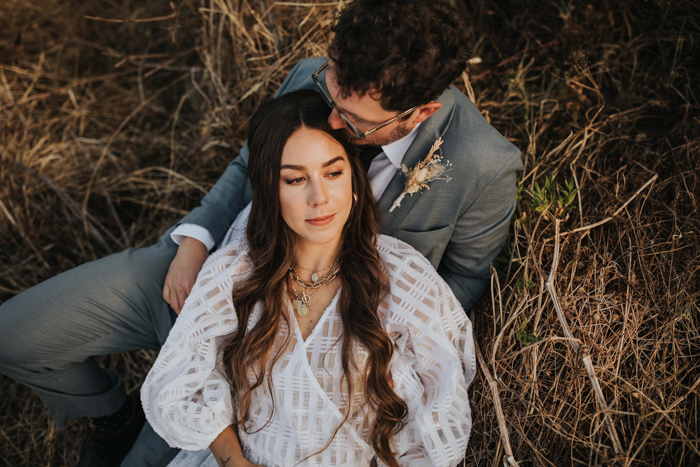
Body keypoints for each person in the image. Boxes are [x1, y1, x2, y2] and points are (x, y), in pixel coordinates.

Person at [0, 1, 520, 465]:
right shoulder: (312, 75)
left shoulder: (482, 165)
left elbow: (465, 279)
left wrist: (353, 342)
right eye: (331, 96)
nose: (333, 122)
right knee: (13, 336)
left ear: (421, 113)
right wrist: (195, 241)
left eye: (355, 121)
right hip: (211, 269)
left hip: (287, 347)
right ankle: (110, 410)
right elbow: (250, 161)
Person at [143, 88, 475, 467]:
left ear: (353, 180)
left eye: (333, 172)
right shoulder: (233, 273)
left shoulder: (402, 278)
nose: (320, 197)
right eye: (295, 180)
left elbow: (441, 417)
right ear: (270, 190)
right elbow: (185, 387)